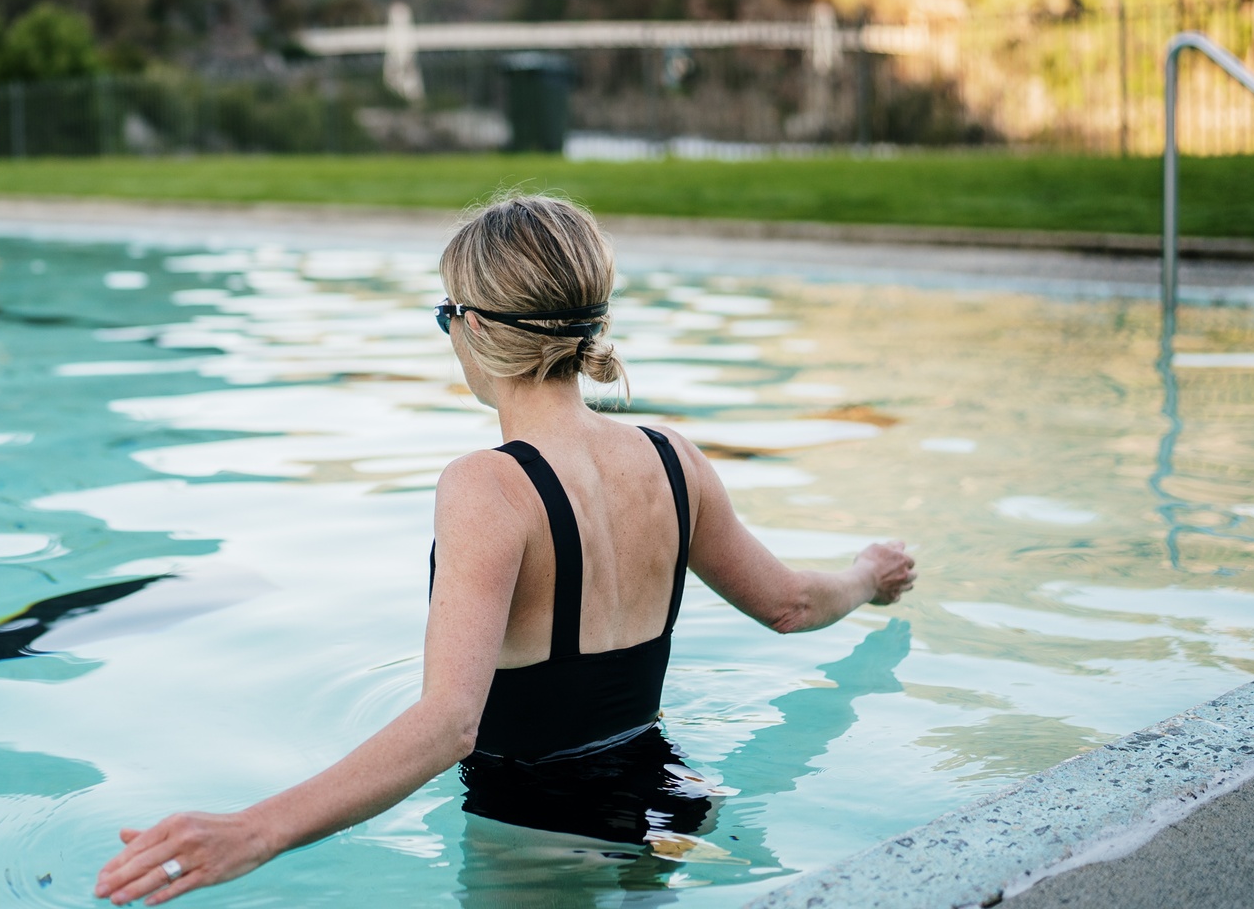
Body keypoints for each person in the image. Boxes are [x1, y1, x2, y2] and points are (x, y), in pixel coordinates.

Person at [94, 195, 917, 906]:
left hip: (536, 832)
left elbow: (449, 724)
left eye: (446, 315)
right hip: (669, 794)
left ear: (477, 328)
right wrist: (867, 574)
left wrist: (254, 831)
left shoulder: (487, 489)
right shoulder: (672, 457)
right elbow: (790, 606)